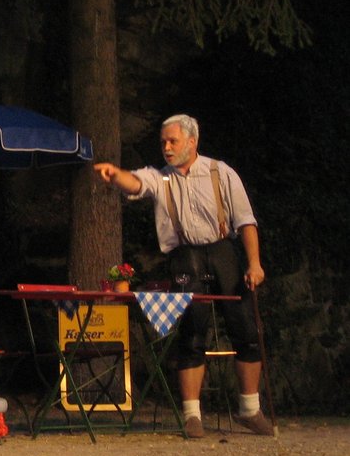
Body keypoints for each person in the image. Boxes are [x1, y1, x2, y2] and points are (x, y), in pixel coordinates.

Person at [94, 113, 270, 439]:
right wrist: (116, 175)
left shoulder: (221, 173)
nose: (167, 147)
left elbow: (246, 221)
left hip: (223, 252)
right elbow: (136, 182)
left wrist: (254, 264)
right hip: (185, 256)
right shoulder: (161, 179)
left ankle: (249, 409)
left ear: (192, 141)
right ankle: (192, 415)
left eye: (173, 141)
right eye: (163, 142)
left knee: (245, 327)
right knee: (192, 331)